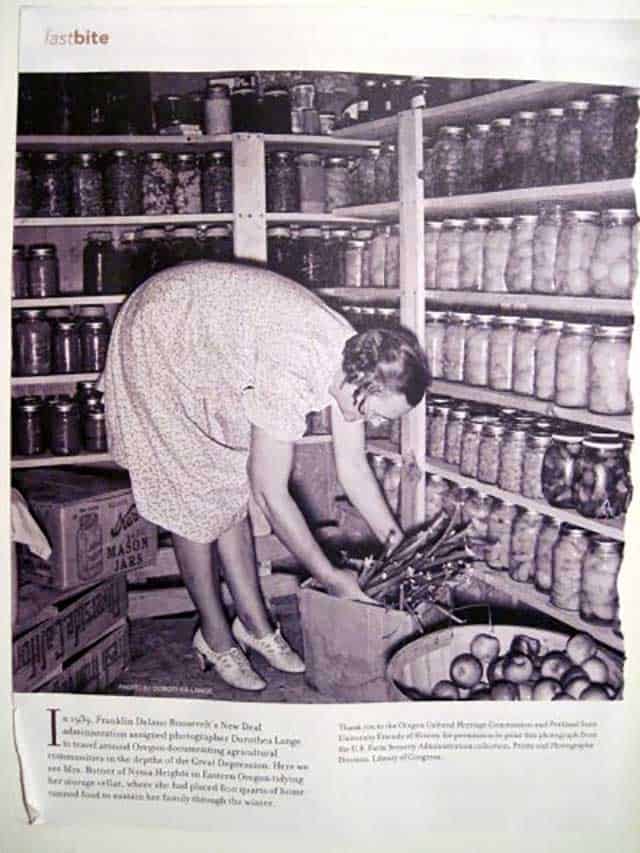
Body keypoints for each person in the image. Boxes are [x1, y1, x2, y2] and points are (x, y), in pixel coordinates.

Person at [102, 261, 430, 691]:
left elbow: (353, 468)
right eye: (377, 415)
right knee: (192, 496)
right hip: (162, 330)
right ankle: (215, 636)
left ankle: (255, 626)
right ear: (361, 387)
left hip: (212, 344)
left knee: (229, 481)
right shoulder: (293, 370)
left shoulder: (359, 363)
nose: (373, 424)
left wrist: (396, 544)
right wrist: (331, 577)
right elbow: (270, 493)